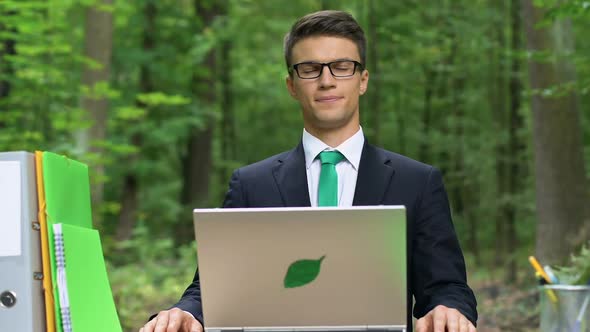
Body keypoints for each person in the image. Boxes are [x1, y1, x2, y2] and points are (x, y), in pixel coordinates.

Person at [140, 10, 477, 332]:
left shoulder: (417, 182)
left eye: (342, 66)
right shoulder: (250, 185)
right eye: (310, 69)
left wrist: (449, 309)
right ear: (291, 85)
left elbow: (446, 287)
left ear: (363, 80)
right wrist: (185, 312)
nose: (327, 81)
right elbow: (212, 290)